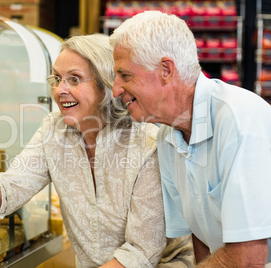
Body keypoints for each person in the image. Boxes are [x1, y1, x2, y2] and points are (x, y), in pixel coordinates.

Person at [0, 33, 193, 267]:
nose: (60, 90)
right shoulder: (54, 130)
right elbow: (7, 195)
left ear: (106, 84)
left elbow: (141, 253)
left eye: (74, 80)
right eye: (56, 78)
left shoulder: (146, 142)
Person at [110, 10, 271, 267]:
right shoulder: (167, 137)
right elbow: (202, 235)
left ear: (166, 70)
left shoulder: (238, 119)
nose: (116, 89)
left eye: (125, 75)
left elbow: (247, 259)